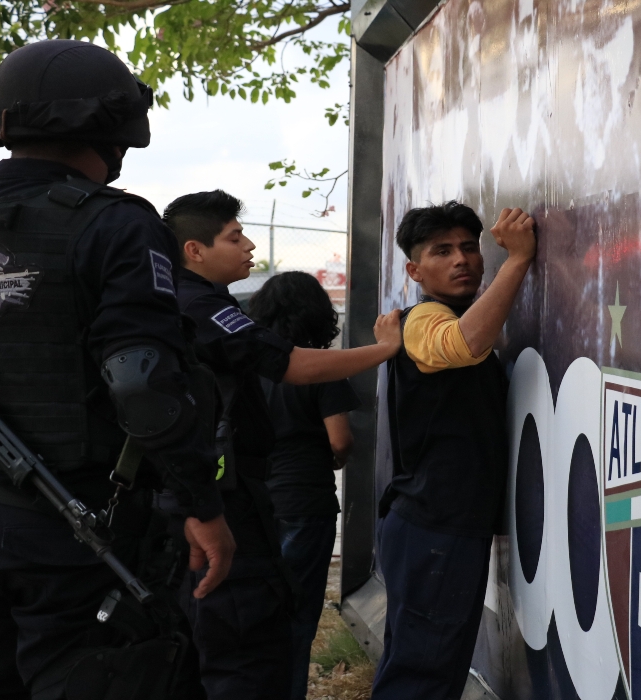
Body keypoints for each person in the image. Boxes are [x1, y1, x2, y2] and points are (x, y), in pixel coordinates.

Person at [0, 40, 235, 698]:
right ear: (112, 130)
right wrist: (202, 505)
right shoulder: (117, 226)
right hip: (72, 530)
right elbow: (141, 383)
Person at [163, 190, 402, 698]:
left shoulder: (197, 302)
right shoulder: (195, 306)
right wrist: (383, 350)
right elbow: (294, 366)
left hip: (246, 494)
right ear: (194, 250)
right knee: (246, 637)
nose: (249, 245)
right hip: (230, 498)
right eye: (234, 236)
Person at [371, 202, 536, 700]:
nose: (461, 259)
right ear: (415, 271)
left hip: (434, 526)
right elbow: (463, 344)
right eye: (442, 251)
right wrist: (519, 260)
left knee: (419, 667)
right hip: (433, 528)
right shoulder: (424, 318)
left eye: (468, 247)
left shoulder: (447, 314)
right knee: (423, 676)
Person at [249, 271, 359, 700]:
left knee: (255, 614)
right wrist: (335, 459)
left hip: (252, 499)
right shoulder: (321, 367)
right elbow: (340, 440)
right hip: (304, 499)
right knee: (295, 620)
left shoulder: (247, 364)